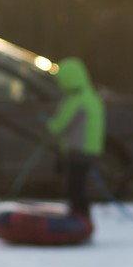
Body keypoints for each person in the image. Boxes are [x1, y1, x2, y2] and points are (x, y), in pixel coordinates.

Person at [45, 57, 105, 218]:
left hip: (78, 149)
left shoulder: (75, 100)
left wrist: (48, 124)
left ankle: (79, 216)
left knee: (74, 186)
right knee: (80, 184)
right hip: (92, 149)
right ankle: (82, 215)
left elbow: (60, 124)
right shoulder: (91, 96)